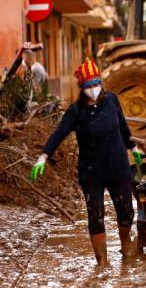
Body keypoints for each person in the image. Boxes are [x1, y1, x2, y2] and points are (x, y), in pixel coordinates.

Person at [30, 60, 138, 268]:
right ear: (82, 88)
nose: (93, 89)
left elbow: (123, 127)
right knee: (95, 214)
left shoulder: (112, 100)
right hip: (92, 171)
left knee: (126, 210)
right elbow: (59, 133)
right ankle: (102, 263)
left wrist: (133, 149)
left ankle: (126, 241)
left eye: (96, 84)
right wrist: (43, 156)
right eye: (88, 86)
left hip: (118, 166)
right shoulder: (76, 111)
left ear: (101, 83)